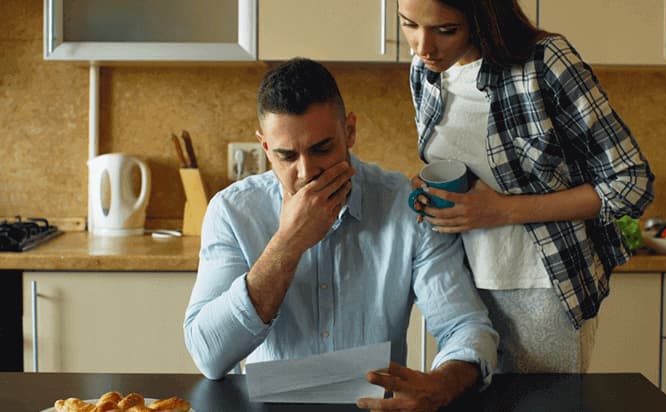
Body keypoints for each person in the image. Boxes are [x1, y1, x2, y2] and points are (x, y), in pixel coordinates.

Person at [183, 57, 499, 411]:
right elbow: (209, 356)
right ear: (265, 147)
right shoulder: (232, 211)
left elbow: (466, 326)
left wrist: (441, 385)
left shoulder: (405, 205)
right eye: (287, 155)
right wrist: (288, 242)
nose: (307, 172)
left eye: (322, 149)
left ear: (349, 131)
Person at [399, 0, 655, 374]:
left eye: (445, 30)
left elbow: (631, 182)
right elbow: (468, 166)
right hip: (460, 290)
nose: (423, 47)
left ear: (481, 16)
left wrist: (502, 210)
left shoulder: (544, 62)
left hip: (541, 289)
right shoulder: (425, 72)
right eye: (409, 25)